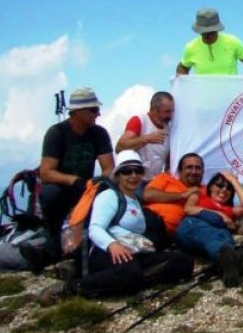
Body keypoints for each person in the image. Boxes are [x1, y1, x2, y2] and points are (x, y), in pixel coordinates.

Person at [37, 151, 195, 305]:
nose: (133, 176)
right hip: (104, 249)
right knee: (129, 272)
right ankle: (72, 288)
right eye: (127, 171)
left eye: (138, 171)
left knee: (183, 262)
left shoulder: (134, 200)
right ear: (118, 175)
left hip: (133, 252)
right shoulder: (109, 196)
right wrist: (112, 245)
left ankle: (125, 280)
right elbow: (95, 228)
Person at [20, 87, 114, 274]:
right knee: (50, 193)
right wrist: (75, 181)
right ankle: (54, 238)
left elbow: (109, 168)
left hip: (86, 188)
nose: (98, 114)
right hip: (62, 188)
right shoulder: (56, 133)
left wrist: (102, 183)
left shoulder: (99, 133)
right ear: (78, 111)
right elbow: (47, 173)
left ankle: (56, 251)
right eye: (93, 110)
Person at [143, 153, 243, 281]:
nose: (194, 171)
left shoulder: (205, 190)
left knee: (219, 236)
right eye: (189, 167)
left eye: (198, 168)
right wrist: (182, 195)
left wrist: (233, 180)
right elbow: (148, 195)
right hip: (152, 220)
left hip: (171, 235)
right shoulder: (166, 179)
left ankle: (231, 263)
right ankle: (234, 259)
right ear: (180, 170)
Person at [175, 171, 243, 288]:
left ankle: (231, 270)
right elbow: (188, 209)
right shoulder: (199, 195)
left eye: (229, 188)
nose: (224, 189)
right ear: (211, 186)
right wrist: (219, 214)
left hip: (218, 235)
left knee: (225, 240)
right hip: (194, 226)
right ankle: (236, 259)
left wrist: (234, 181)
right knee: (211, 236)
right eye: (220, 184)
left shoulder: (230, 209)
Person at [176, 8, 243, 75]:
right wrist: (181, 82)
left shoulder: (233, 42)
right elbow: (183, 68)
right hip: (203, 101)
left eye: (211, 32)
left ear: (217, 29)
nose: (208, 36)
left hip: (230, 100)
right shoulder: (190, 47)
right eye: (204, 33)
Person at [115, 91, 174, 187]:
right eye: (167, 112)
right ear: (154, 109)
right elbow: (119, 147)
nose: (170, 116)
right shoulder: (139, 121)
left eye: (172, 111)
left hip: (155, 182)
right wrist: (146, 139)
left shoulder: (169, 129)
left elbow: (167, 159)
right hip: (134, 181)